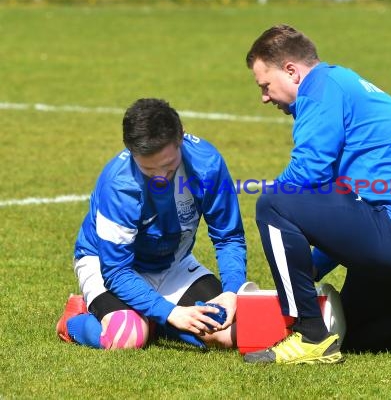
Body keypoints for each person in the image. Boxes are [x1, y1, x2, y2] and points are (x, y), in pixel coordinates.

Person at [242, 24, 391, 364]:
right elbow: (351, 207)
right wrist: (312, 267)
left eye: (265, 85)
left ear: (291, 71)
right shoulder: (342, 85)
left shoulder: (319, 90)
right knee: (351, 334)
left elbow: (307, 175)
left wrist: (279, 208)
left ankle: (310, 336)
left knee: (274, 203)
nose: (265, 97)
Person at [56, 98, 247, 350]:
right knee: (127, 336)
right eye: (148, 169)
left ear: (181, 139)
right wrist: (170, 312)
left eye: (168, 167)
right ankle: (73, 321)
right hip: (109, 267)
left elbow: (228, 237)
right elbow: (115, 271)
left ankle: (154, 319)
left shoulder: (207, 165)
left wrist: (232, 291)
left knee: (227, 331)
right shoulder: (119, 185)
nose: (159, 177)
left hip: (173, 265)